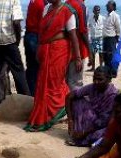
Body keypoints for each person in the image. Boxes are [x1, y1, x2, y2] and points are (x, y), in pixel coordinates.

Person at [23, 0, 82, 132]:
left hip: (59, 50)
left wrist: (78, 58)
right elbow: (42, 33)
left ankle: (62, 109)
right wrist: (39, 49)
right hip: (45, 50)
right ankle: (45, 115)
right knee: (43, 84)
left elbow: (73, 36)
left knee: (54, 83)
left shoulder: (67, 11)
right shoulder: (46, 9)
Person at [65, 66, 118, 147]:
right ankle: (78, 133)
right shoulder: (93, 87)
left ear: (109, 80)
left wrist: (84, 133)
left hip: (103, 124)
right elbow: (69, 96)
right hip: (92, 118)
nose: (96, 82)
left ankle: (82, 138)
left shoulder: (112, 95)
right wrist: (70, 121)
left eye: (100, 79)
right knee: (77, 100)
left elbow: (103, 121)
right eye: (94, 79)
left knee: (101, 135)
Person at [65, 0, 89, 90]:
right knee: (76, 82)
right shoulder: (81, 6)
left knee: (66, 80)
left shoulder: (65, 4)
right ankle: (74, 103)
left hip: (65, 49)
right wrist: (90, 51)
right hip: (79, 49)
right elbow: (83, 32)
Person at [24, 0, 44, 94]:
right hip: (35, 36)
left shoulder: (33, 2)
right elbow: (42, 25)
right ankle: (33, 93)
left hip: (29, 34)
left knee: (31, 66)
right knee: (36, 67)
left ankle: (29, 91)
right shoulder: (40, 4)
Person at [103, 0, 121, 78]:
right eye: (107, 5)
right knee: (105, 56)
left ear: (113, 7)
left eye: (108, 5)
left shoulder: (115, 16)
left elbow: (118, 28)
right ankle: (107, 71)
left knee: (111, 56)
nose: (106, 6)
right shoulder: (107, 15)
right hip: (105, 38)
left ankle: (113, 72)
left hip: (111, 39)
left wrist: (118, 38)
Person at [87, 5, 105, 72]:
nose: (97, 11)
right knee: (93, 54)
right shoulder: (90, 18)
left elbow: (106, 28)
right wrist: (88, 36)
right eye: (96, 10)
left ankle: (101, 67)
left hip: (100, 38)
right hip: (92, 38)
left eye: (98, 10)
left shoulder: (103, 18)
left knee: (101, 54)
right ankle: (93, 68)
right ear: (93, 11)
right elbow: (87, 27)